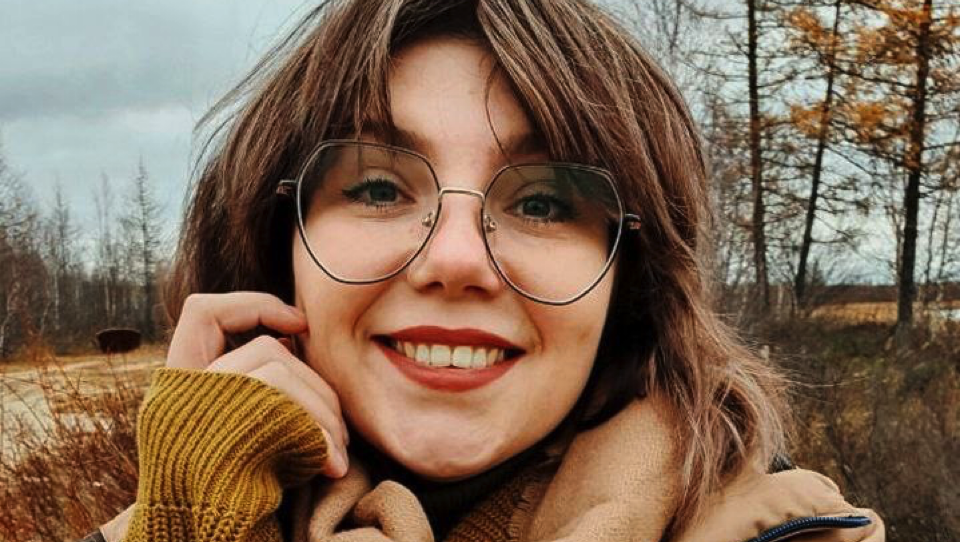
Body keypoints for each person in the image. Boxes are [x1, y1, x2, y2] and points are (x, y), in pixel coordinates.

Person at [84, 1, 886, 541]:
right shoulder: (170, 521)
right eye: (377, 188)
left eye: (541, 202)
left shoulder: (787, 534)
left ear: (630, 279)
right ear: (274, 247)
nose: (456, 258)